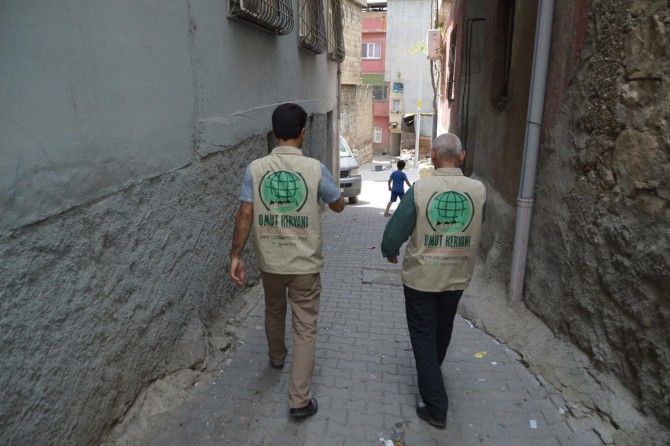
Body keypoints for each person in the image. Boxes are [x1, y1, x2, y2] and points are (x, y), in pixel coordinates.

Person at [229, 103, 345, 419]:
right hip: (305, 263)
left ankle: (277, 357)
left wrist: (236, 255)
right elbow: (338, 205)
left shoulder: (255, 169)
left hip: (270, 261)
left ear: (274, 133)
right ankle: (299, 400)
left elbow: (245, 214)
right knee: (305, 327)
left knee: (273, 309)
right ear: (303, 133)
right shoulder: (314, 169)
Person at [381, 133, 486, 429]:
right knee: (443, 327)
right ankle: (432, 374)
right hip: (457, 276)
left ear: (434, 157)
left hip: (421, 278)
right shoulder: (478, 191)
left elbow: (396, 230)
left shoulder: (421, 190)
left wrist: (390, 250)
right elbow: (479, 222)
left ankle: (436, 406)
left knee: (423, 336)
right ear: (462, 156)